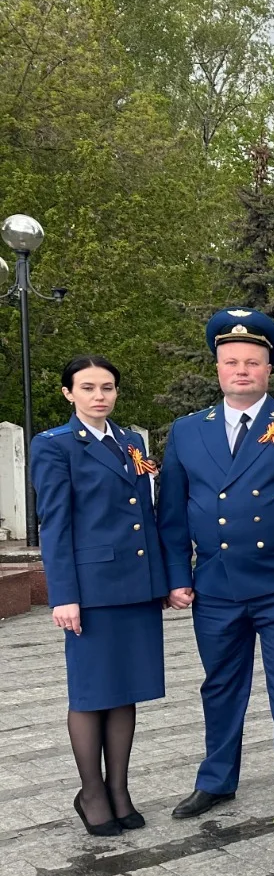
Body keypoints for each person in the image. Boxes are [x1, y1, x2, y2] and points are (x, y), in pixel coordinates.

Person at [158, 309, 274, 825]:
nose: (241, 370)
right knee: (219, 684)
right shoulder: (189, 430)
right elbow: (171, 511)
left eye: (252, 362)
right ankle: (216, 779)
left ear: (268, 369)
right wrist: (176, 576)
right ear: (217, 368)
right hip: (214, 583)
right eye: (231, 361)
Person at [31, 356, 167, 836]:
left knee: (125, 688)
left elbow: (146, 514)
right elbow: (55, 524)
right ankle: (91, 791)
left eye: (107, 387)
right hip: (91, 590)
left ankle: (119, 789)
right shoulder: (55, 445)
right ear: (68, 393)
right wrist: (63, 595)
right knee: (91, 693)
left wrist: (164, 578)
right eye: (87, 387)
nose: (99, 396)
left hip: (136, 586)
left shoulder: (130, 442)